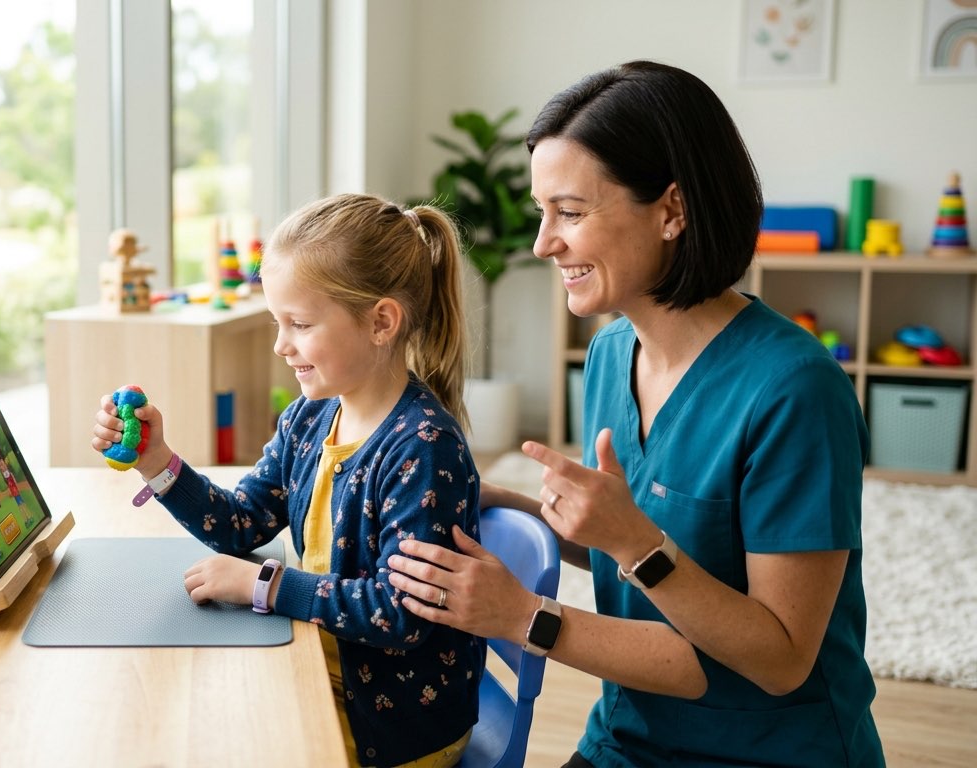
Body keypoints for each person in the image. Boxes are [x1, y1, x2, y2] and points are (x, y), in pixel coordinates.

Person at [384, 61, 885, 767]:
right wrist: (507, 504)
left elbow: (781, 658)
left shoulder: (797, 392)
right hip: (628, 738)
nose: (542, 243)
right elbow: (648, 552)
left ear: (673, 211)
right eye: (541, 211)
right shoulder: (613, 352)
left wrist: (523, 615)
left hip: (770, 753)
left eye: (571, 212)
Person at [92, 193, 485, 767]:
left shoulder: (422, 447)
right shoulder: (311, 417)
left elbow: (400, 615)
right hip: (323, 660)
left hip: (396, 723)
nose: (281, 345)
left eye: (299, 324)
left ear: (381, 322)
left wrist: (265, 587)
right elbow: (240, 523)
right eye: (279, 322)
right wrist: (157, 460)